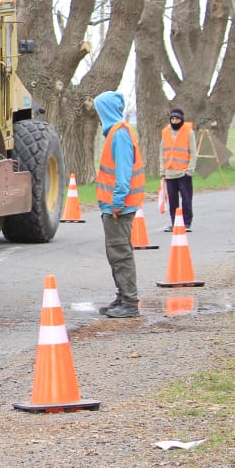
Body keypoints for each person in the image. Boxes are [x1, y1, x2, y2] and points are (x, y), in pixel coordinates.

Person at [94, 90, 146, 318]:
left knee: (120, 253)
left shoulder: (120, 135)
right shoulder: (116, 133)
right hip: (115, 206)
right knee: (116, 253)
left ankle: (130, 301)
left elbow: (123, 175)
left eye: (99, 109)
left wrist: (116, 203)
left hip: (119, 207)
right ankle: (123, 296)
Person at [159, 107, 196, 232]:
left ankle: (186, 223)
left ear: (181, 119)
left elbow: (193, 152)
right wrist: (162, 171)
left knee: (186, 199)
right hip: (170, 172)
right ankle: (175, 223)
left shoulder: (189, 132)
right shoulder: (165, 132)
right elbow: (162, 153)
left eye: (177, 119)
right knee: (173, 200)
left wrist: (190, 170)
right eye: (173, 119)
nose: (175, 121)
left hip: (184, 172)